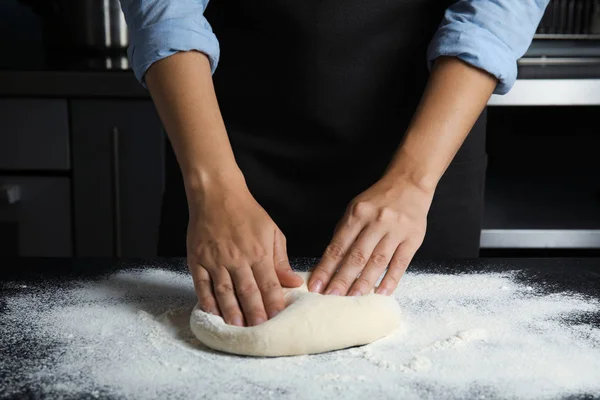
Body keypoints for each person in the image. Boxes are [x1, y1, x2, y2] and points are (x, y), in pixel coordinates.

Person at [120, 0, 548, 327]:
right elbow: (165, 12)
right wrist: (212, 184)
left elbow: (494, 12)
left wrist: (414, 179)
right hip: (226, 142)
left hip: (427, 146)